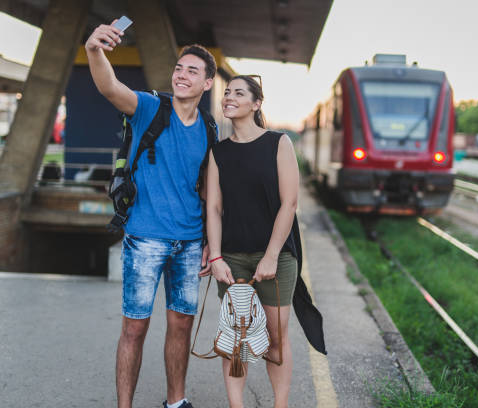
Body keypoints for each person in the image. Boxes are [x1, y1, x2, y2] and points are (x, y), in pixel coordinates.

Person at [85, 21, 217, 408]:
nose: (182, 74)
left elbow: (207, 191)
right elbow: (110, 87)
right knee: (134, 329)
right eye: (179, 68)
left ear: (208, 83)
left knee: (181, 326)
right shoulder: (149, 107)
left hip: (190, 243)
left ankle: (176, 401)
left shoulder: (209, 129)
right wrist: (94, 49)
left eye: (193, 70)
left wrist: (211, 243)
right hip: (145, 239)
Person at [203, 75, 326, 408]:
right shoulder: (219, 152)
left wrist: (271, 256)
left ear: (256, 104)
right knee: (235, 338)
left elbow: (289, 204)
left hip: (276, 258)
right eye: (227, 92)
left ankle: (279, 405)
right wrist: (215, 256)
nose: (229, 97)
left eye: (238, 93)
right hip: (232, 258)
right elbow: (213, 207)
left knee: (276, 339)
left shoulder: (278, 143)